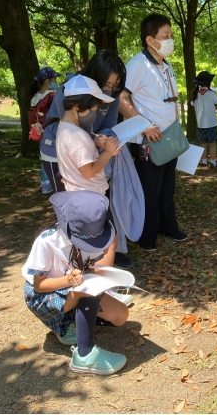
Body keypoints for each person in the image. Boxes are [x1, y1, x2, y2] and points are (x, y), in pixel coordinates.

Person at [40, 50, 134, 270]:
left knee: (93, 211)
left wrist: (103, 138)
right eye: (106, 84)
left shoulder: (83, 128)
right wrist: (102, 147)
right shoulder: (73, 93)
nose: (110, 91)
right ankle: (75, 258)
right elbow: (73, 129)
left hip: (87, 152)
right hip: (62, 154)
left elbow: (105, 125)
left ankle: (98, 252)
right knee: (73, 212)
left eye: (115, 85)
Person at [22, 191, 129, 375]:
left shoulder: (95, 233)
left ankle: (71, 326)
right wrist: (67, 280)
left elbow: (98, 270)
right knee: (88, 291)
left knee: (121, 316)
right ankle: (84, 355)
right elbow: (38, 285)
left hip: (74, 288)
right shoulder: (47, 241)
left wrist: (111, 246)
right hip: (45, 296)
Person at [118, 13, 187, 252]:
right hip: (149, 140)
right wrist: (144, 126)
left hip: (169, 138)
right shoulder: (137, 64)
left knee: (167, 186)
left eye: (171, 35)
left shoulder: (166, 65)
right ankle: (146, 236)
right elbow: (120, 98)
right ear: (150, 39)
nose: (170, 40)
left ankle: (168, 226)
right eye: (165, 36)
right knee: (148, 188)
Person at [56, 75, 118, 193]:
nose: (94, 115)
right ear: (78, 106)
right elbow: (88, 172)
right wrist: (108, 152)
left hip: (80, 193)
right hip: (88, 197)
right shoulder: (75, 135)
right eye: (94, 110)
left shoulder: (65, 128)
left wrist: (95, 143)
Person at [30, 67, 61, 195]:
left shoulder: (35, 97)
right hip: (50, 131)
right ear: (48, 80)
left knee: (44, 156)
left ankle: (45, 183)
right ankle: (51, 183)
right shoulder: (52, 96)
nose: (56, 81)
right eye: (54, 79)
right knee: (52, 157)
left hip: (38, 131)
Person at [191, 71, 217, 168]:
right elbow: (216, 106)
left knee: (203, 143)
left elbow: (193, 105)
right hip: (212, 122)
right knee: (212, 143)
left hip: (200, 123)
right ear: (208, 82)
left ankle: (203, 161)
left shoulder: (195, 95)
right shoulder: (212, 94)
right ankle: (213, 162)